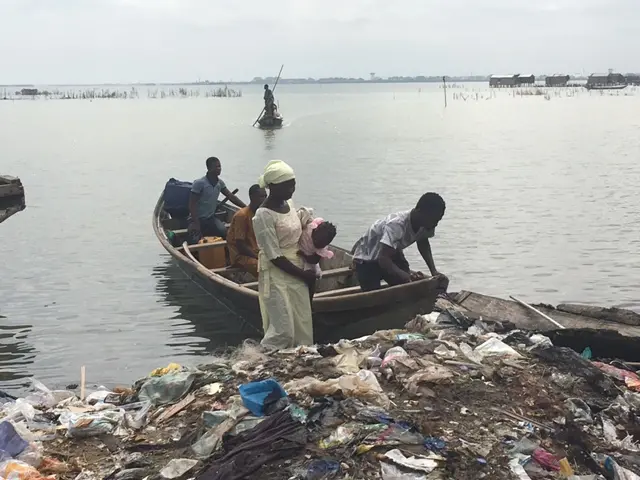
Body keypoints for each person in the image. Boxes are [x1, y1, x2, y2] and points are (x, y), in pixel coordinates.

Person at [252, 160, 315, 349]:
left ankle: (299, 359)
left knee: (302, 323)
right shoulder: (263, 215)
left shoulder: (288, 203)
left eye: (293, 184)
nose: (291, 189)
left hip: (296, 266)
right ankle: (265, 358)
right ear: (272, 187)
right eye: (287, 185)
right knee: (283, 329)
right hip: (276, 273)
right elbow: (274, 255)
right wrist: (304, 275)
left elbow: (296, 227)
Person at [352, 192, 448, 292]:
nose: (436, 224)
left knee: (408, 285)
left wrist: (433, 270)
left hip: (391, 253)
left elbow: (423, 243)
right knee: (372, 294)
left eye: (438, 220)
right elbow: (383, 258)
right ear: (420, 212)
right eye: (434, 220)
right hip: (367, 259)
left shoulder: (427, 224)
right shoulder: (397, 225)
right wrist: (405, 276)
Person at [188, 156, 245, 242]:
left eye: (220, 166)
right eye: (216, 167)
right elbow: (192, 205)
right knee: (194, 240)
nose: (219, 169)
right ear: (209, 168)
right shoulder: (199, 183)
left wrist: (246, 207)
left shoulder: (220, 183)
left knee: (224, 232)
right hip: (196, 218)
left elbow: (231, 197)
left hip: (210, 218)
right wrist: (196, 223)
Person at [226, 184, 267, 277]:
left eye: (265, 196)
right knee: (262, 267)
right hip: (241, 255)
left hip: (256, 250)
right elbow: (240, 245)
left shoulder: (260, 214)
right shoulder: (242, 215)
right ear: (252, 197)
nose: (264, 199)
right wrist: (258, 257)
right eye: (261, 196)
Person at [297, 207, 337, 282]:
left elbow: (315, 260)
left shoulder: (321, 248)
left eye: (321, 244)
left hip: (308, 259)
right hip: (297, 249)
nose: (318, 245)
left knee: (312, 275)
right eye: (316, 241)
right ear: (315, 230)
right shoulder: (309, 227)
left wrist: (303, 255)